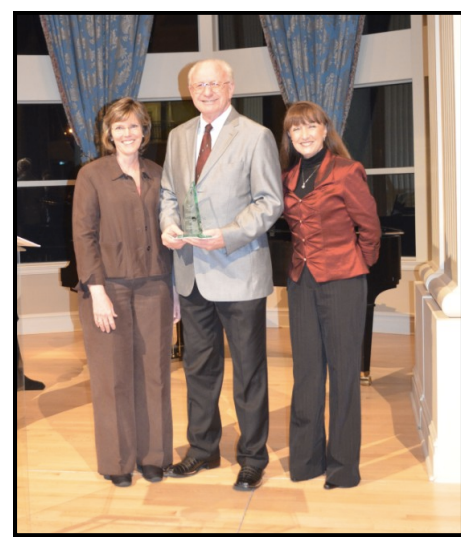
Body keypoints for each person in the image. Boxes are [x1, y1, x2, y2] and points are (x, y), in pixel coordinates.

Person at [160, 59, 283, 491]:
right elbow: (169, 193)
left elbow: (270, 202)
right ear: (189, 91)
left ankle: (252, 456)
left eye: (214, 83)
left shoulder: (256, 135)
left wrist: (227, 235)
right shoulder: (177, 137)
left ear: (230, 87)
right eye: (199, 85)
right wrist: (167, 226)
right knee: (198, 367)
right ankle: (202, 450)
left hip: (239, 270)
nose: (206, 90)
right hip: (191, 272)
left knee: (249, 369)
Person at [73, 98, 179, 488]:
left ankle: (154, 457)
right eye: (120, 127)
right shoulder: (92, 175)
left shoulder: (157, 173)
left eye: (134, 126)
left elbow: (170, 231)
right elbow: (83, 237)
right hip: (109, 288)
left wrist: (175, 290)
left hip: (154, 284)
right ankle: (118, 461)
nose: (128, 133)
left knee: (155, 374)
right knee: (113, 377)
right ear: (109, 134)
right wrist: (96, 291)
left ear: (144, 131)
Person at [280, 101, 381, 489]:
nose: (304, 135)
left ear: (325, 130)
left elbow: (369, 228)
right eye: (296, 129)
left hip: (342, 281)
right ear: (289, 137)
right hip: (301, 280)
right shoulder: (287, 177)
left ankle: (342, 467)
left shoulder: (345, 171)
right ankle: (306, 461)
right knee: (306, 373)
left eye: (311, 127)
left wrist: (357, 265)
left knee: (342, 375)